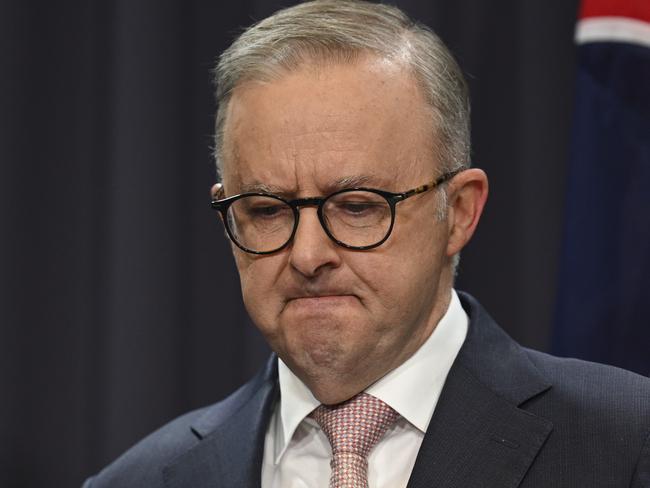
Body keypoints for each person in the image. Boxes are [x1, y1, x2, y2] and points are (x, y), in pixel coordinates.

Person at [83, 1, 650, 487]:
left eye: (356, 207)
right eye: (267, 210)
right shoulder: (140, 480)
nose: (307, 256)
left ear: (459, 211)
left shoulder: (626, 444)